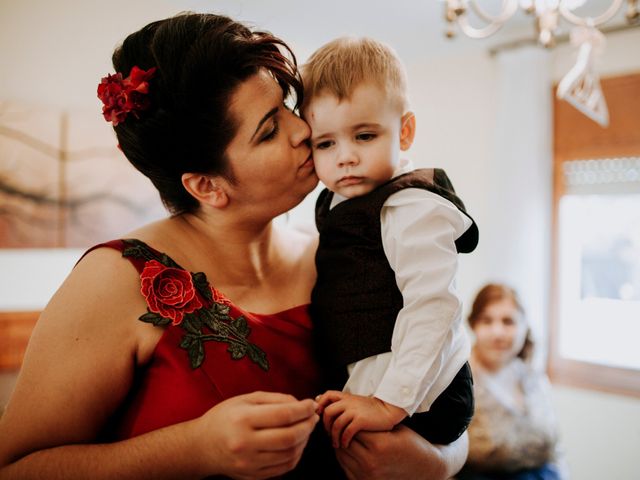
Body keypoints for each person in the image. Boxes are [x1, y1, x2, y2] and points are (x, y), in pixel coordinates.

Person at [0, 13, 469, 480]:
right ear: (207, 185)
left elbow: (446, 374)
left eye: (287, 106)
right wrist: (193, 448)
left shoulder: (332, 254)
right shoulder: (115, 280)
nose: (302, 130)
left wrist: (433, 463)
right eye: (269, 130)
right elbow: (16, 468)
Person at [302, 36, 479, 450]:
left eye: (364, 136)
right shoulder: (337, 201)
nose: (344, 156)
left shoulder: (411, 206)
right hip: (373, 382)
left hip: (420, 397)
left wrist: (389, 401)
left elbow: (433, 304)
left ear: (405, 131)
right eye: (325, 143)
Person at [457, 283, 568, 480]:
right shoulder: (458, 381)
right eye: (486, 321)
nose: (498, 333)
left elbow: (555, 450)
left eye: (508, 322)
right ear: (473, 325)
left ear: (524, 326)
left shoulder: (533, 376)